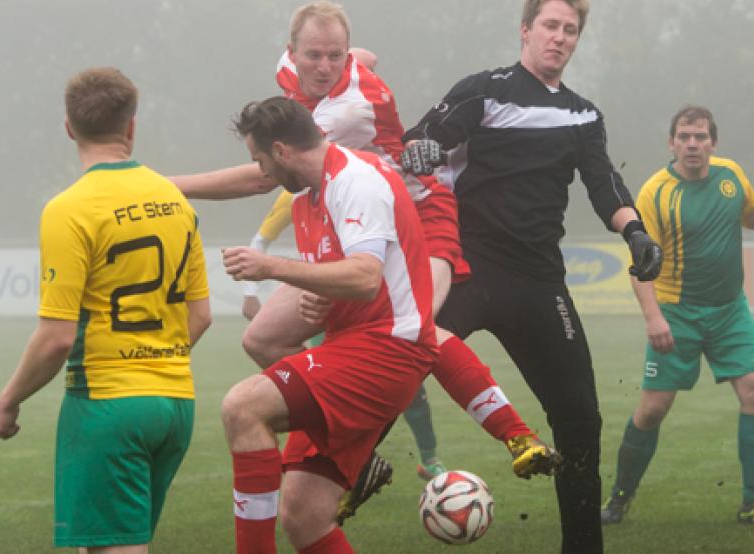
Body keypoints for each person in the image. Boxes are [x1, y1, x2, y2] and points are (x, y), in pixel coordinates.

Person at [172, 0, 560, 520]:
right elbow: (365, 54)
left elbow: (266, 175)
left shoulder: (346, 109)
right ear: (291, 53)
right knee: (262, 338)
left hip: (421, 215)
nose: (325, 67)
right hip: (354, 226)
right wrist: (354, 53)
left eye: (335, 57)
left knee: (419, 332)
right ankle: (354, 451)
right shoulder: (294, 73)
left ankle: (516, 435)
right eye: (315, 55)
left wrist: (169, 186)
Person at [399, 1, 663, 551]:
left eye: (570, 30)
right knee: (397, 366)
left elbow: (601, 182)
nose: (560, 37)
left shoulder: (583, 116)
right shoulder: (485, 89)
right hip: (468, 267)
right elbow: (429, 133)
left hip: (539, 283)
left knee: (580, 421)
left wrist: (634, 231)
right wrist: (421, 146)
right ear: (526, 31)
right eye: (551, 26)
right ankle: (336, 480)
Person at [0, 67, 212, 553]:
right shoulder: (175, 200)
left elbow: (56, 338)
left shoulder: (69, 209)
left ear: (69, 128)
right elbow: (202, 315)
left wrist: (8, 401)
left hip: (108, 405)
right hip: (176, 405)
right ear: (132, 126)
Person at [219, 96, 438, 554]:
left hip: (388, 350)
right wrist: (323, 301)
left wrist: (271, 267)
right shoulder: (309, 197)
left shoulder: (354, 179)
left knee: (242, 407)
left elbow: (363, 276)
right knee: (304, 515)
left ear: (281, 151)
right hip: (356, 345)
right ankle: (356, 453)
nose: (262, 173)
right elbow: (345, 279)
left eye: (260, 160)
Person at [601, 105, 754, 526]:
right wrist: (654, 318)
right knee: (653, 410)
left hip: (730, 310)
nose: (693, 144)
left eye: (701, 137)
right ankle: (620, 497)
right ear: (672, 142)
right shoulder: (656, 191)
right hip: (676, 313)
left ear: (713, 143)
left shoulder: (731, 176)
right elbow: (641, 262)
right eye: (685, 136)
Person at [241, 189, 448, 480]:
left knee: (412, 390)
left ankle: (429, 458)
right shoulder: (296, 191)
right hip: (322, 312)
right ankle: (346, 453)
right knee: (313, 386)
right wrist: (250, 293)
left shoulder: (354, 187)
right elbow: (261, 239)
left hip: (374, 310)